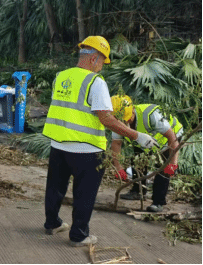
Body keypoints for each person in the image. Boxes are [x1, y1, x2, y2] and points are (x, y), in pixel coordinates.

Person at [42, 36, 159, 247]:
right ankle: (79, 235)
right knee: (84, 193)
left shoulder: (61, 76)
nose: (101, 68)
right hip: (86, 149)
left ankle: (52, 223)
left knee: (55, 187)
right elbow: (106, 118)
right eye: (102, 62)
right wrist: (138, 136)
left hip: (58, 144)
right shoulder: (95, 82)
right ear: (94, 58)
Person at [110, 95, 182, 212]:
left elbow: (172, 137)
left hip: (168, 141)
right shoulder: (118, 122)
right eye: (122, 121)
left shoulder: (150, 115)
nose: (126, 122)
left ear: (132, 110)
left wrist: (173, 164)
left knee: (162, 169)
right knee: (137, 160)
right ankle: (137, 191)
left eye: (128, 119)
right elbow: (116, 144)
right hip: (145, 143)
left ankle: (158, 202)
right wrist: (118, 168)